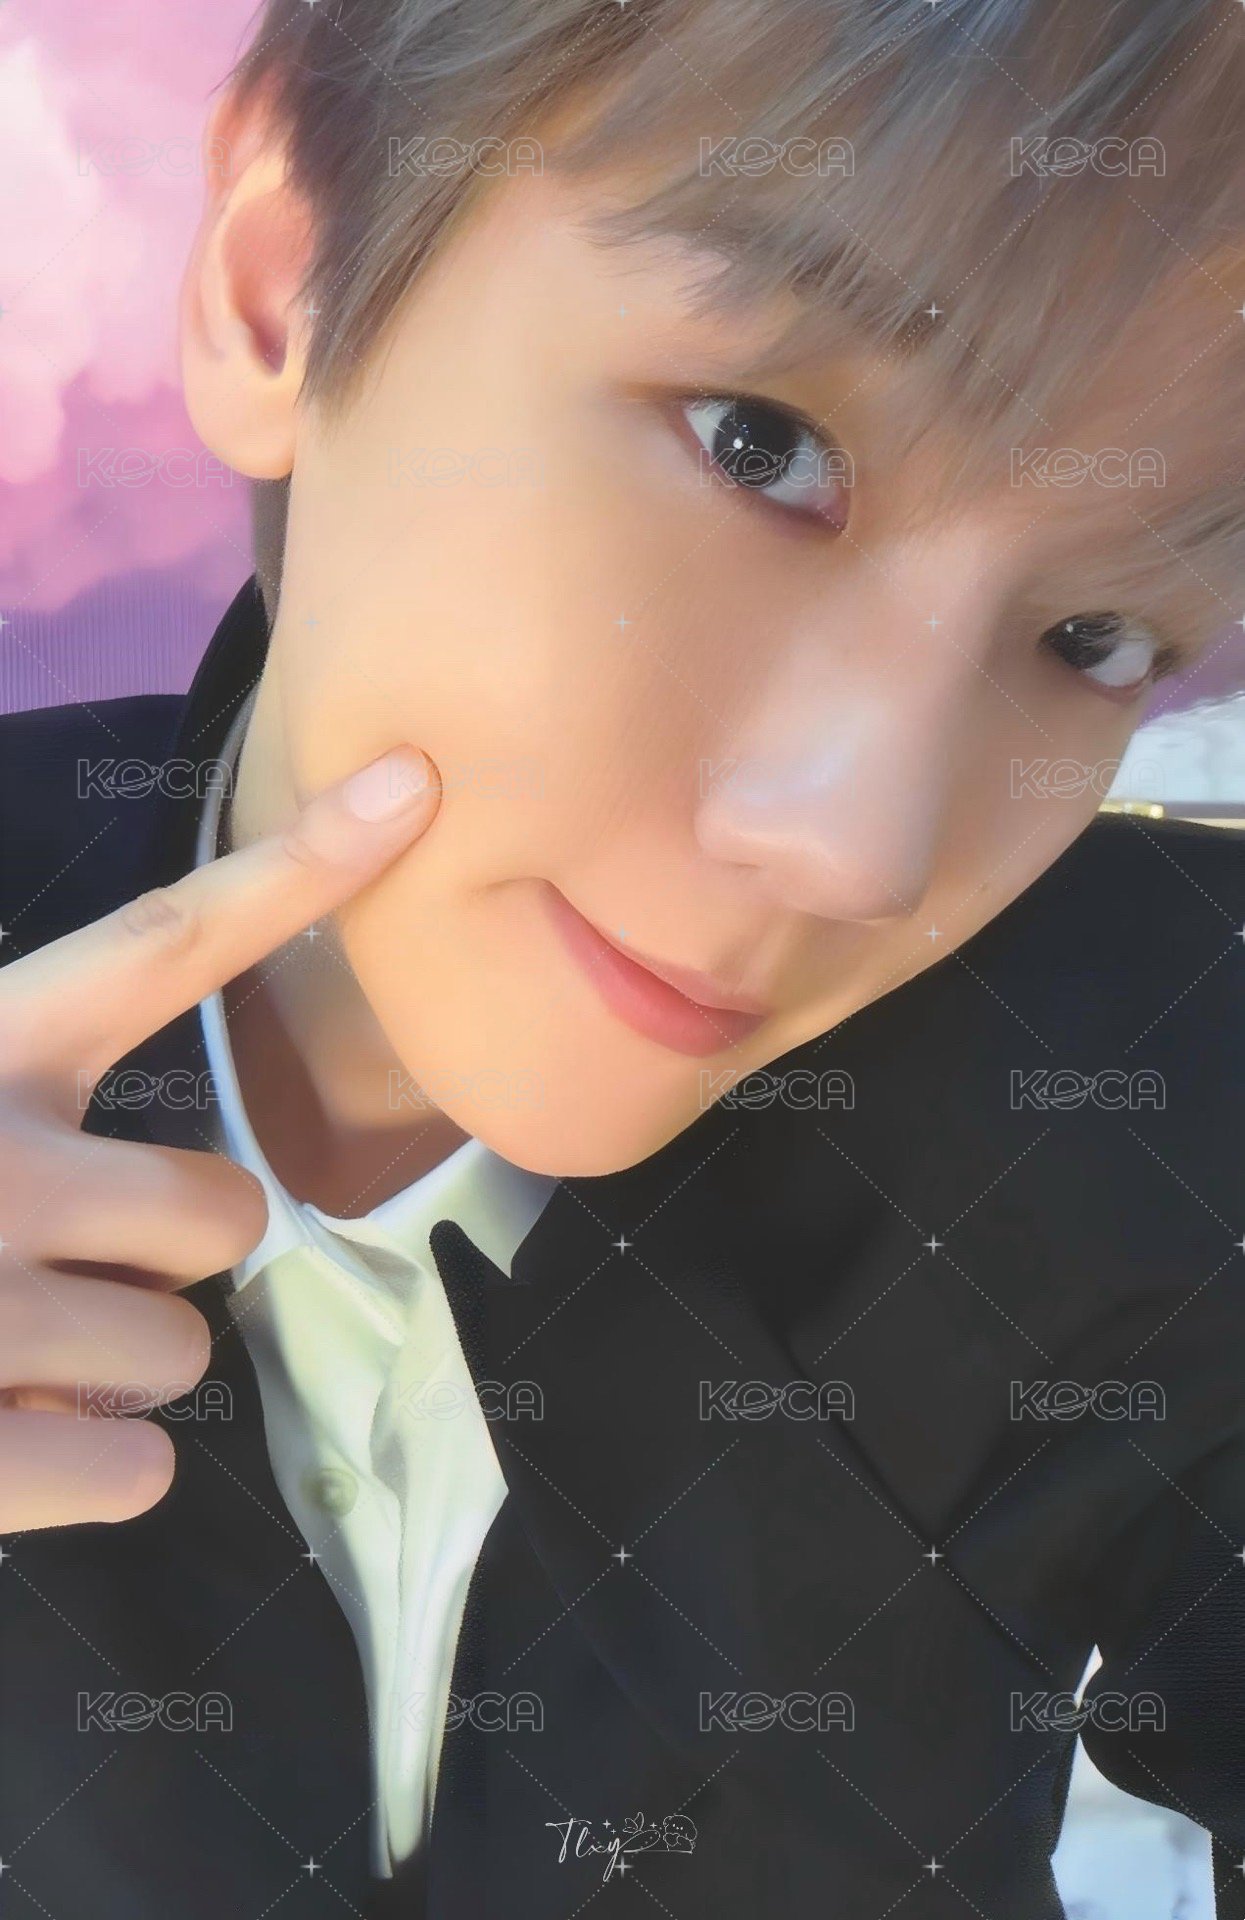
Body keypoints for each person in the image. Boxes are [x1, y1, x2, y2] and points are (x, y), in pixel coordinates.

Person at [2, 0, 1244, 1912]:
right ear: (283, 282)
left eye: (1094, 639)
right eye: (762, 445)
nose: (861, 845)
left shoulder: (1151, 1066)